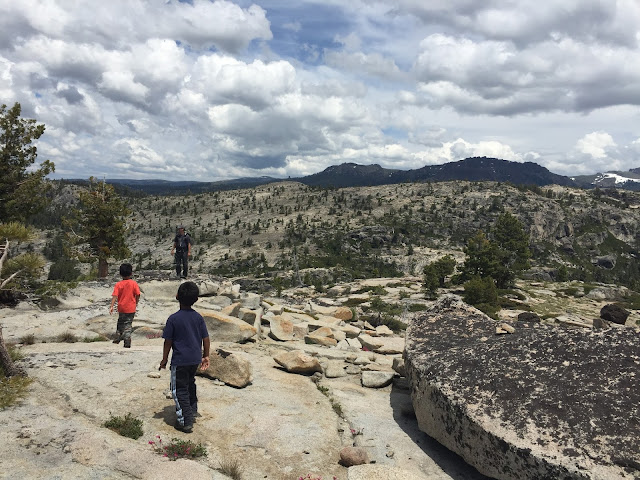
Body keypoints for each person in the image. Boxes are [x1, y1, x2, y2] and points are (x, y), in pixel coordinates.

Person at [159, 281, 210, 433]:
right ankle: (192, 409)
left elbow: (168, 342)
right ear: (196, 299)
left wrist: (164, 359)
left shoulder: (173, 319)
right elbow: (205, 338)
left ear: (177, 296)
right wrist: (206, 355)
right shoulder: (198, 317)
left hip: (180, 360)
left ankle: (185, 420)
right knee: (190, 383)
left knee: (178, 389)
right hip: (195, 359)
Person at [109, 263, 141, 348]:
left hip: (121, 307)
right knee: (128, 323)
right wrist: (136, 302)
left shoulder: (118, 284)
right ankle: (127, 339)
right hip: (131, 307)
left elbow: (115, 296)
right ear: (131, 273)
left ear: (120, 274)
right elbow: (138, 294)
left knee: (120, 322)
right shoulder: (134, 283)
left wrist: (111, 306)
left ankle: (117, 337)